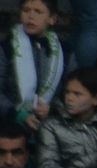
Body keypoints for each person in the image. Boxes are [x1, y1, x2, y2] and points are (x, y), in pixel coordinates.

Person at [33, 66, 97, 168]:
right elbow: (48, 165)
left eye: (77, 94)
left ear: (96, 99)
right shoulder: (50, 125)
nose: (69, 98)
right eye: (67, 92)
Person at [3, 0, 67, 133]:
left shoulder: (65, 51)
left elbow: (72, 89)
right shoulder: (6, 47)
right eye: (26, 10)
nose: (30, 16)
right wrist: (18, 114)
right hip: (10, 122)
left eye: (38, 11)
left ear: (52, 19)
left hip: (53, 124)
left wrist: (53, 108)